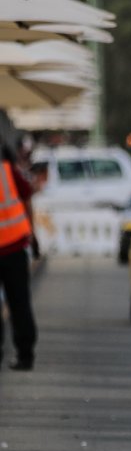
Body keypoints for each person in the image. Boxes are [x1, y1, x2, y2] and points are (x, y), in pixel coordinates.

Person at [0, 118, 37, 371]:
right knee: (19, 303)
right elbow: (27, 195)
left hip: (10, 247)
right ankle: (25, 355)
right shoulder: (7, 170)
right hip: (14, 247)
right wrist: (32, 233)